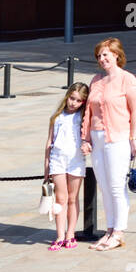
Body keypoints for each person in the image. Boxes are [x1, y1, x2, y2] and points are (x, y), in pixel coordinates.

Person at [80, 38, 136, 252]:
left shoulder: (127, 79)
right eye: (99, 56)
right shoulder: (96, 80)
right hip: (96, 138)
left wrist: (133, 138)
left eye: (106, 54)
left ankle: (119, 232)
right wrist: (85, 138)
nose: (102, 59)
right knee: (104, 187)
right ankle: (109, 230)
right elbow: (88, 112)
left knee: (116, 186)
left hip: (118, 138)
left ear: (116, 55)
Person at [43, 83, 89, 250]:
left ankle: (71, 233)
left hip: (76, 160)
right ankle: (60, 234)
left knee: (72, 198)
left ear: (83, 102)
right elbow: (49, 143)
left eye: (78, 100)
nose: (73, 103)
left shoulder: (82, 117)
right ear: (67, 96)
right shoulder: (57, 117)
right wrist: (46, 167)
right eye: (71, 98)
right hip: (58, 160)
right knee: (60, 199)